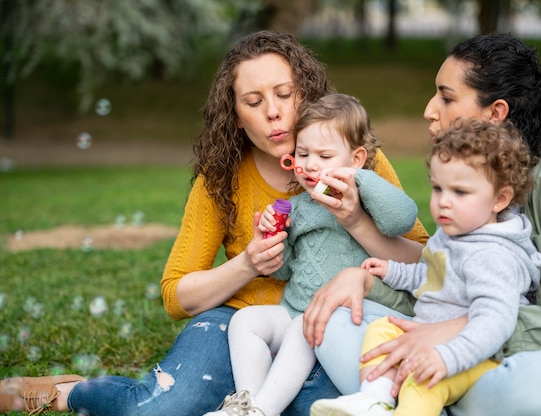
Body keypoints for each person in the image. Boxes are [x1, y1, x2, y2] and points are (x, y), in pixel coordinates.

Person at [0, 31, 429, 416]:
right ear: (235, 114)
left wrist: (356, 221)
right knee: (158, 410)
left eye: (285, 94)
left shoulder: (356, 162)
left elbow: (427, 264)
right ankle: (70, 393)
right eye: (255, 102)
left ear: (307, 94)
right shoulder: (221, 177)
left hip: (336, 324)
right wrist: (248, 263)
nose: (274, 114)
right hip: (244, 323)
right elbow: (175, 294)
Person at [304, 33, 541, 416]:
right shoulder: (468, 183)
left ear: (496, 112)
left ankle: (415, 396)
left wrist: (459, 329)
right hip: (481, 345)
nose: (429, 110)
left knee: (527, 391)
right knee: (335, 322)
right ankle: (414, 399)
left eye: (446, 96)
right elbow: (448, 282)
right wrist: (368, 281)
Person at [310, 118, 541, 416]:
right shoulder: (457, 233)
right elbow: (436, 276)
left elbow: (494, 323)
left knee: (421, 382)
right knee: (383, 329)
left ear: (500, 199)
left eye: (460, 192)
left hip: (477, 355)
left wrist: (446, 358)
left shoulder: (492, 255)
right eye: (438, 188)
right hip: (431, 332)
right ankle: (374, 400)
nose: (444, 202)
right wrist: (395, 272)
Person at [205, 93, 418, 416]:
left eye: (324, 155)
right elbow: (283, 271)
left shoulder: (366, 199)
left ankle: (264, 409)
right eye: (302, 153)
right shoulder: (298, 208)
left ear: (356, 158)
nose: (310, 164)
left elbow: (401, 218)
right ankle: (246, 402)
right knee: (245, 321)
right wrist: (273, 240)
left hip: (347, 318)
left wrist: (359, 181)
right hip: (296, 309)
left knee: (301, 327)